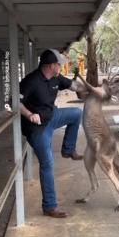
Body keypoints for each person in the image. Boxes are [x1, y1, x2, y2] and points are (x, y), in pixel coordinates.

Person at [19, 49, 84, 218]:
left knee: (76, 113)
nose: (60, 66)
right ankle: (49, 206)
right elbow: (12, 102)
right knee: (47, 163)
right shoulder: (31, 81)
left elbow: (74, 85)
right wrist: (29, 114)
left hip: (52, 116)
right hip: (37, 127)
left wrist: (90, 89)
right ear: (49, 66)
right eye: (58, 64)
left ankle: (68, 149)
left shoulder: (56, 78)